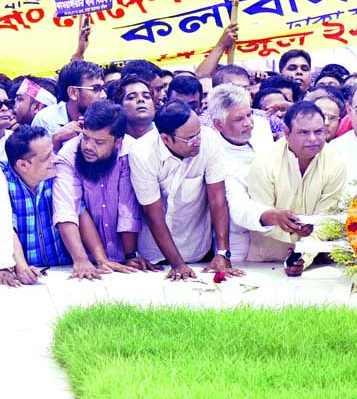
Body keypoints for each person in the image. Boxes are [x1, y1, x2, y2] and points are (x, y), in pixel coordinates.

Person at [129, 100, 243, 281]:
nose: (198, 141)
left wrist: (222, 253)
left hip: (197, 249)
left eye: (198, 134)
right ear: (166, 139)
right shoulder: (142, 152)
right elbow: (153, 214)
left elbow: (218, 199)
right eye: (190, 138)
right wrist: (177, 264)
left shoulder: (209, 140)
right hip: (154, 253)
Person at [53, 101, 155, 280]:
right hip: (78, 258)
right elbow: (67, 210)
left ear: (118, 142)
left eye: (99, 142)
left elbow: (128, 207)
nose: (88, 147)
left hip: (122, 254)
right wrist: (81, 260)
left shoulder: (132, 152)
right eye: (85, 138)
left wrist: (130, 256)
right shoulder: (68, 156)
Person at [245, 101, 346, 276]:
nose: (313, 139)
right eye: (304, 132)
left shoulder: (335, 162)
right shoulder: (264, 162)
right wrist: (290, 229)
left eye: (318, 131)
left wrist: (302, 257)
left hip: (312, 262)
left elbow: (325, 220)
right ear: (286, 133)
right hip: (266, 260)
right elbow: (261, 214)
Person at [208, 83, 274, 263]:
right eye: (239, 119)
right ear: (218, 124)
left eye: (249, 114)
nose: (248, 123)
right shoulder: (214, 155)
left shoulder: (261, 126)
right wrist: (272, 217)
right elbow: (237, 206)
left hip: (276, 232)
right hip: (237, 237)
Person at [2, 125, 72, 268]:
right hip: (21, 275)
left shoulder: (58, 174)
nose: (55, 159)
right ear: (23, 165)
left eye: (53, 152)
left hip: (63, 270)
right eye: (47, 157)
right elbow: (6, 226)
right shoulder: (3, 181)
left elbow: (79, 213)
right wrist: (21, 267)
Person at [32, 61, 106, 150]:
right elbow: (36, 161)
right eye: (96, 89)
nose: (104, 95)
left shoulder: (108, 118)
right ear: (73, 93)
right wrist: (56, 140)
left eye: (103, 88)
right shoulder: (46, 120)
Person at [113, 75, 156, 141]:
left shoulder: (167, 136)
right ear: (120, 106)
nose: (141, 99)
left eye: (146, 96)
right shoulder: (113, 142)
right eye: (132, 97)